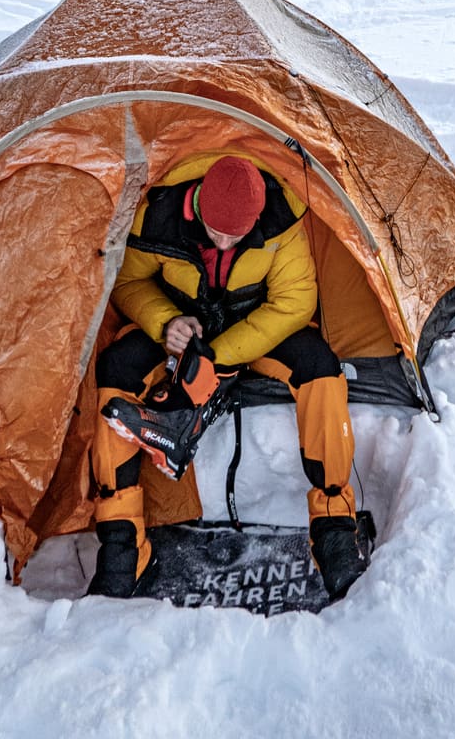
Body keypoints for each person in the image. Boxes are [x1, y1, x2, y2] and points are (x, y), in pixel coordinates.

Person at [88, 153, 367, 601]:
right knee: (116, 367)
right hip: (181, 331)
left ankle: (333, 523)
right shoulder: (157, 217)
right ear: (197, 205)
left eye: (235, 236)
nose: (221, 244)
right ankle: (122, 542)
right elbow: (127, 283)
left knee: (319, 366)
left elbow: (295, 303)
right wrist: (167, 323)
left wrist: (217, 355)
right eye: (214, 231)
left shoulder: (281, 221)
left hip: (249, 330)